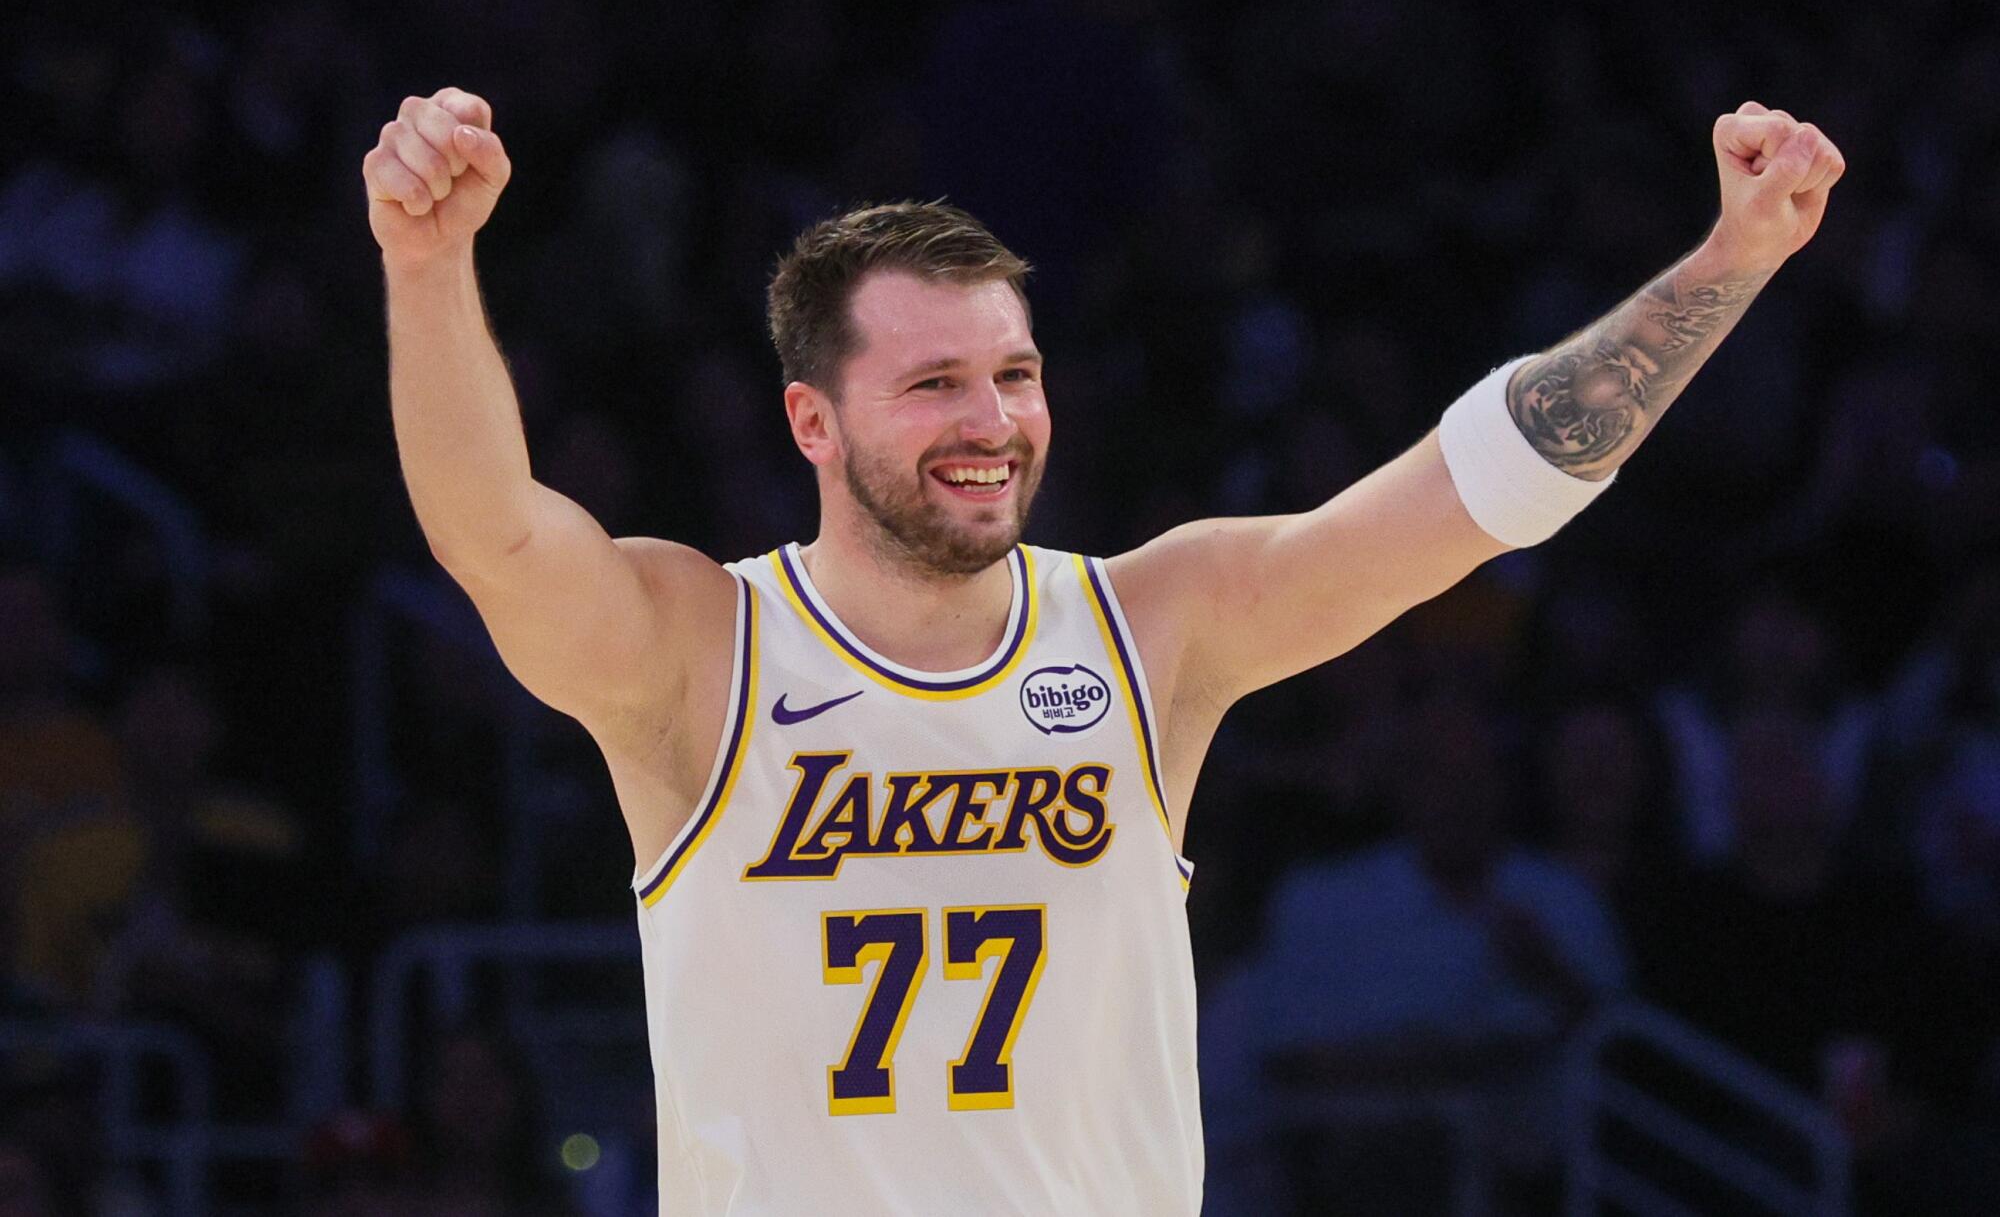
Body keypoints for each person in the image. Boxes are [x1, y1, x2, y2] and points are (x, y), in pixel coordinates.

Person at [362, 86, 1844, 1213]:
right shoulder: (707, 650)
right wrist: (427, 267)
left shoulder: (1152, 627)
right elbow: (495, 534)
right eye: (934, 383)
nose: (992, 421)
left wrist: (1731, 260)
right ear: (813, 421)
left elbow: (1474, 490)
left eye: (1014, 374)